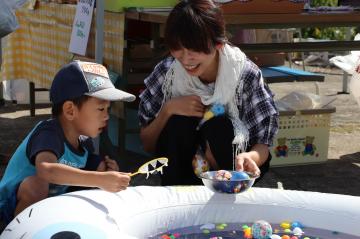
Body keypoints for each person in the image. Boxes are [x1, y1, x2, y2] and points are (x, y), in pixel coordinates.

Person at [138, 0, 279, 185]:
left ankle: (228, 193)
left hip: (233, 171)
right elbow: (148, 144)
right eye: (178, 49)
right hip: (182, 174)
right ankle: (179, 195)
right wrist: (168, 110)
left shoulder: (244, 74)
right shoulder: (168, 73)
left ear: (218, 44)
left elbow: (263, 143)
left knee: (217, 125)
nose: (186, 59)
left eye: (194, 49)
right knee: (177, 123)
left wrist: (250, 158)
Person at [0, 60, 136, 223]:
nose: (106, 116)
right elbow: (47, 171)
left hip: (45, 210)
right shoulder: (48, 133)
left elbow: (93, 171)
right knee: (36, 185)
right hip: (8, 207)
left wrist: (106, 172)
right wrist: (100, 180)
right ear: (70, 110)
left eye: (108, 109)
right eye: (101, 109)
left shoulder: (84, 142)